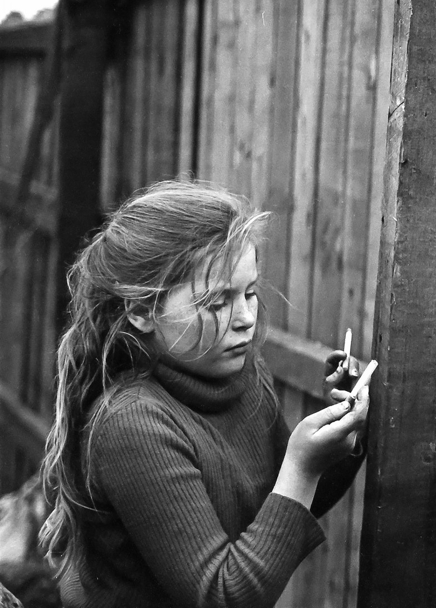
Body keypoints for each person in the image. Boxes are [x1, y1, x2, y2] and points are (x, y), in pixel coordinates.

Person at [38, 180, 373, 608]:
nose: (247, 318)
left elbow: (278, 517)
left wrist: (343, 435)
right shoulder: (134, 423)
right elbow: (224, 594)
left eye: (250, 293)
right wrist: (301, 467)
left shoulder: (245, 376)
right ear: (141, 310)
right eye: (217, 303)